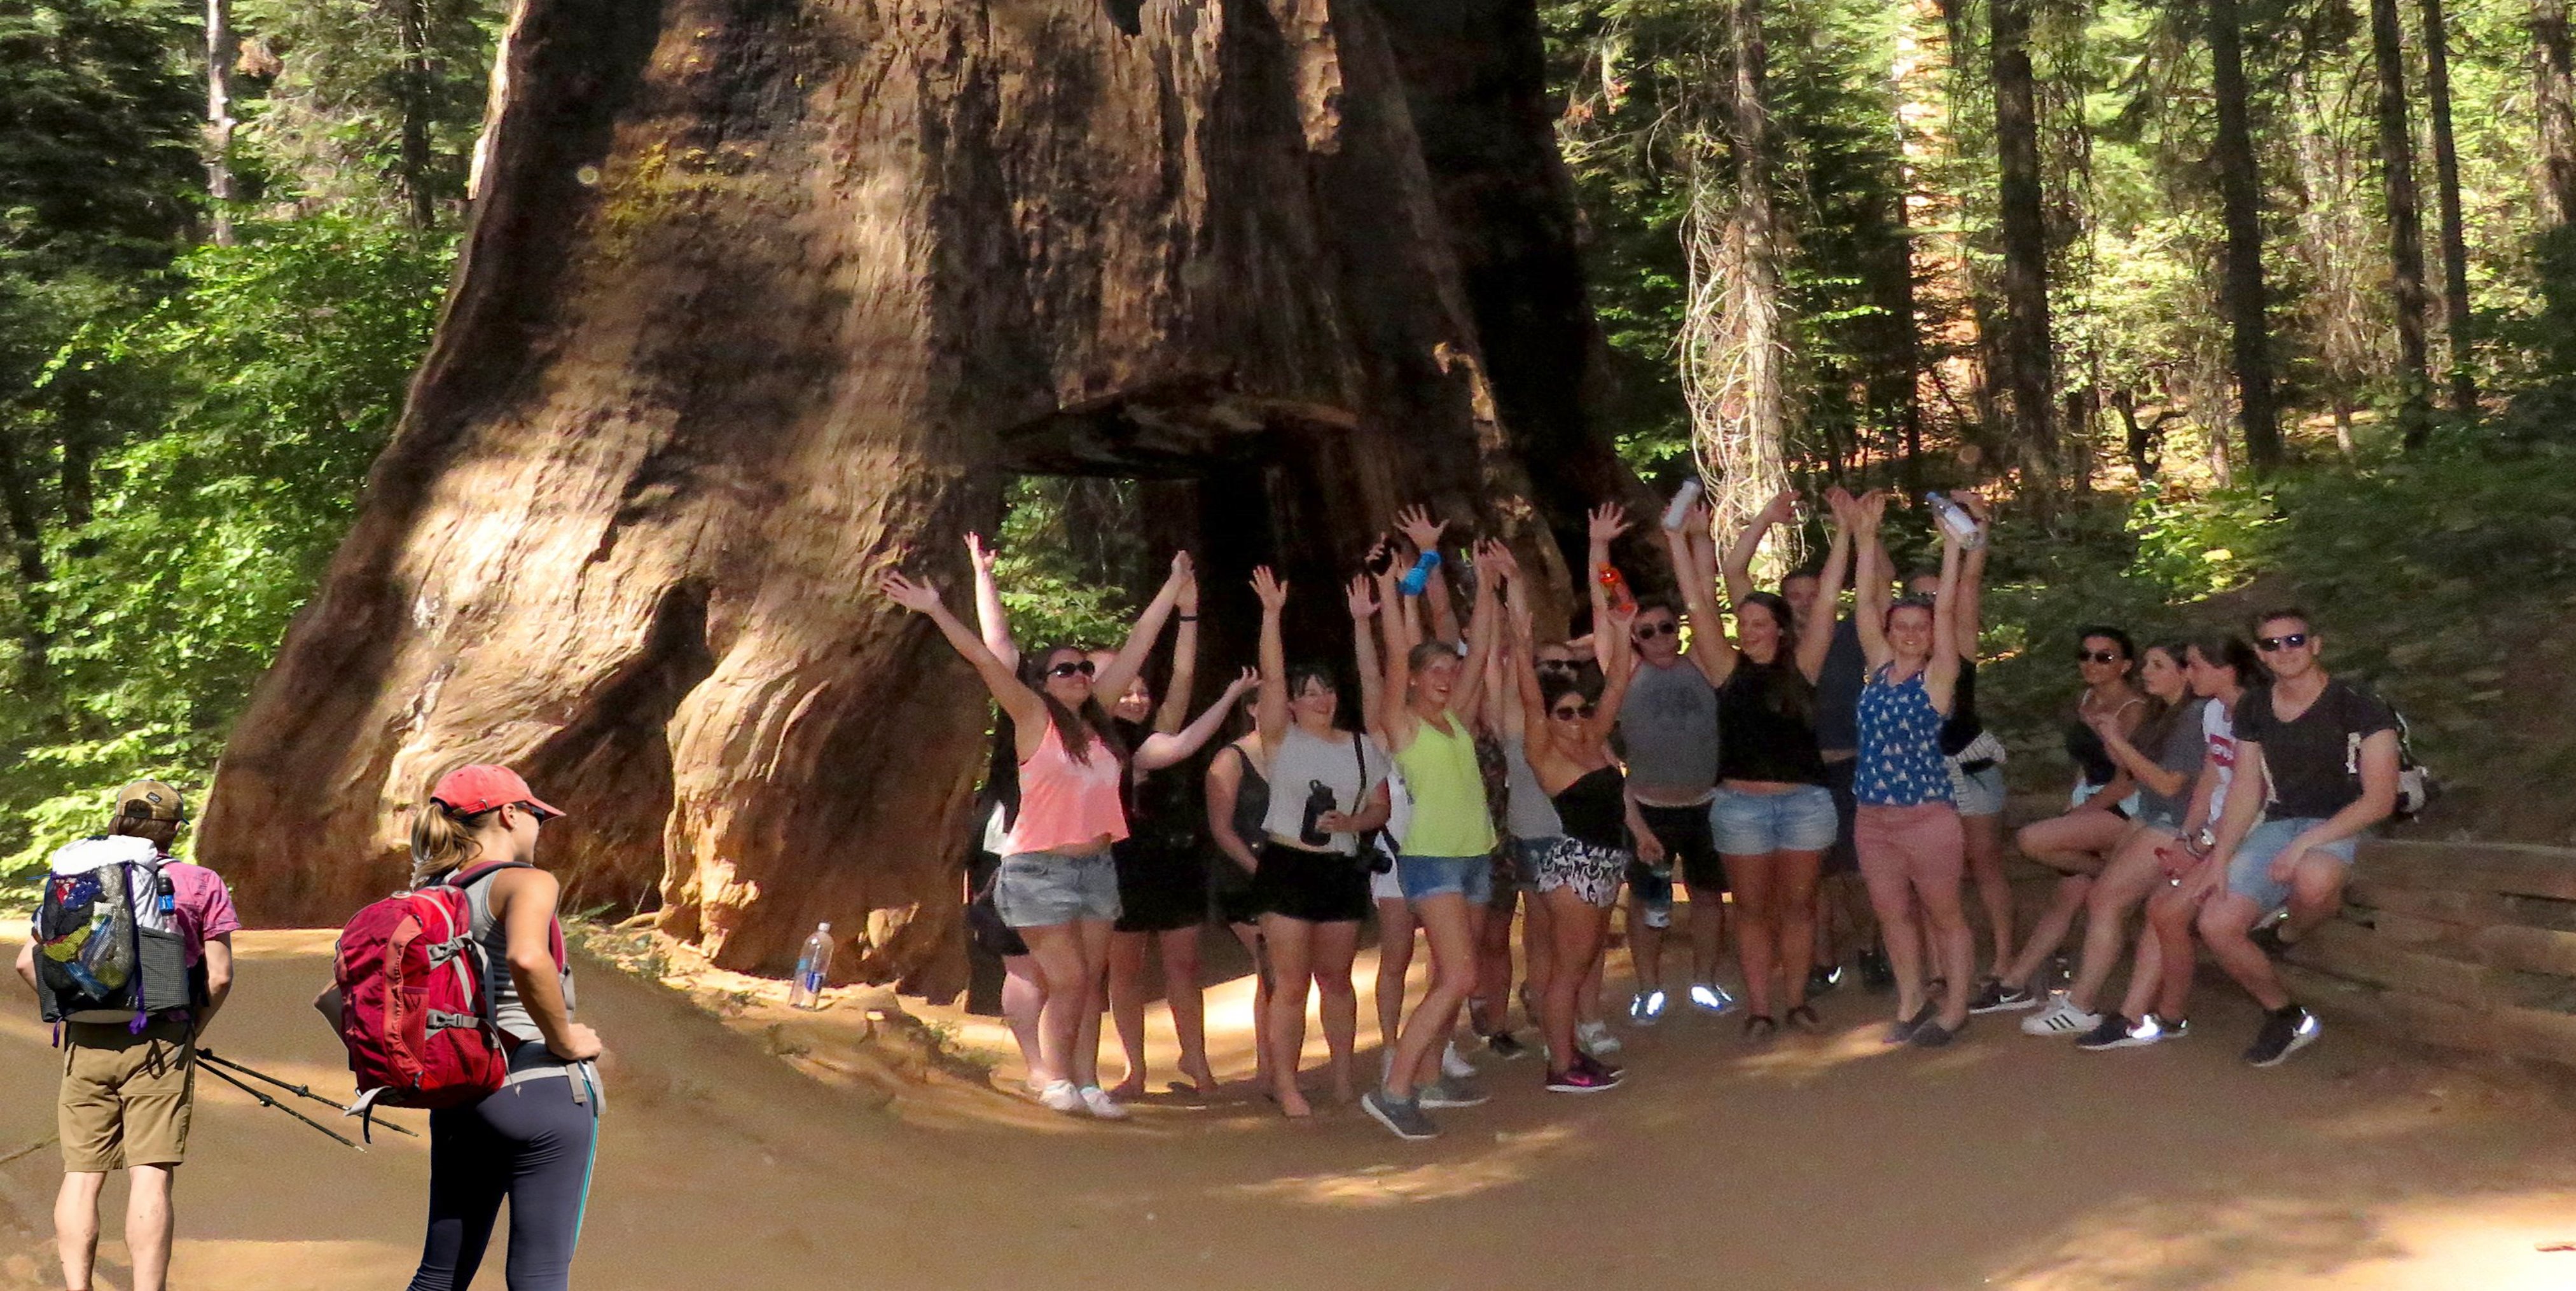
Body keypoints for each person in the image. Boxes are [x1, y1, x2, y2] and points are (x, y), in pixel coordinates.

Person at [882, 551, 1191, 1117]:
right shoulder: (1031, 716)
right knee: (1068, 979)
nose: (1078, 676)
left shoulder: (1099, 722)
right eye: (1064, 670)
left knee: (1089, 979)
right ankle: (1051, 1078)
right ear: (1044, 682)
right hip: (1038, 869)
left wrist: (1173, 587)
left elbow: (1141, 642)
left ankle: (1087, 1082)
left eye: (1084, 669)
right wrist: (934, 610)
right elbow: (983, 656)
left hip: (1098, 865)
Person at [16, 780, 235, 1291]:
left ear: (117, 820)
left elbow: (29, 962)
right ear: (174, 830)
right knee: (150, 1173)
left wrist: (72, 1013)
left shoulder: (74, 874)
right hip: (161, 1038)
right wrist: (191, 1029)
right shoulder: (199, 881)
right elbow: (220, 976)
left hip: (86, 1040)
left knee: (82, 1175)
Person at [394, 764, 600, 1291]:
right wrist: (564, 1040)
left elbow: (334, 998)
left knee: (440, 1275)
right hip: (541, 1092)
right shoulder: (525, 882)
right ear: (510, 814)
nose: (539, 827)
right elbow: (529, 959)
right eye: (536, 815)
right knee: (541, 1273)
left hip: (461, 1094)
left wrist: (410, 1067)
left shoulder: (427, 901)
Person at [2192, 609, 2400, 1066]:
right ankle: (2285, 1015)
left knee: (2313, 879)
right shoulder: (2255, 707)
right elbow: (2248, 787)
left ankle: (2285, 933)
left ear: (2316, 644)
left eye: (2294, 640)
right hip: (2282, 820)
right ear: (2259, 654)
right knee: (2216, 923)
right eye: (2271, 644)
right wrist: (2220, 855)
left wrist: (2305, 844)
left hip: (2348, 818)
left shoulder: (2358, 703)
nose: (2284, 651)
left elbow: (2380, 798)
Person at [1677, 490, 1839, 1038]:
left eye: (1756, 623)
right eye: (1741, 623)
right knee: (1749, 910)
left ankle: (1794, 1002)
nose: (1747, 631)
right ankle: (1760, 1009)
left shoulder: (1806, 663)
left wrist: (1845, 534)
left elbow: (1830, 597)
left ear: (1777, 627)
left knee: (1798, 908)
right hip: (1739, 806)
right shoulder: (1727, 668)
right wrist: (1679, 539)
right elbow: (1699, 602)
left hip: (1805, 805)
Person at [1362, 534, 1508, 1142]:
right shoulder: (1400, 723)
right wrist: (1396, 590)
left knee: (1452, 971)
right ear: (1416, 681)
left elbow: (1481, 653)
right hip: (1432, 861)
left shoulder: (1454, 720)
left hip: (1476, 856)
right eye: (1436, 670)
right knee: (1459, 977)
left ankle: (1425, 1076)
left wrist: (1491, 583)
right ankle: (1394, 1090)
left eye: (1451, 668)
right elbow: (1397, 653)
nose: (1448, 676)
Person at [1247, 567, 1393, 1117]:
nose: (1320, 699)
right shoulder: (1280, 739)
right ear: (1290, 704)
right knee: (1291, 984)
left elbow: (1380, 806)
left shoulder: (1360, 746)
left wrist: (1352, 826)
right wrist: (1271, 614)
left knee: (1337, 979)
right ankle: (1286, 1084)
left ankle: (1341, 1079)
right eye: (1308, 693)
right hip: (1288, 867)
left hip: (1339, 869)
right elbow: (1271, 674)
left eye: (1327, 690)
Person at [1588, 503, 1733, 1024]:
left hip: (1707, 806)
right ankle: (1649, 989)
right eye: (1644, 633)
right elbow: (1606, 606)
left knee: (1709, 899)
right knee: (1649, 905)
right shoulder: (1625, 677)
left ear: (1678, 629)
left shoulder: (1703, 664)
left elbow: (1706, 602)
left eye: (1664, 629)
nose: (1656, 638)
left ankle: (1706, 982)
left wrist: (1698, 539)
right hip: (1649, 809)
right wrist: (1600, 550)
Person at [2015, 641, 2200, 1039]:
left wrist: (2116, 741)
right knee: (2134, 902)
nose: (2147, 672)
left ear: (2185, 672)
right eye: (2147, 664)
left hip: (2181, 826)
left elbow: (2168, 785)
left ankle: (2087, 1005)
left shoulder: (2194, 717)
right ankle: (2129, 1013)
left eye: (2157, 665)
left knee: (2109, 898)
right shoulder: (2164, 714)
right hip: (2153, 818)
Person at [1844, 490, 1972, 1046]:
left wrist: (1952, 550)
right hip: (1872, 817)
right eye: (1904, 626)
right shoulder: (1877, 670)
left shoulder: (1938, 677)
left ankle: (1955, 1009)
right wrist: (1866, 538)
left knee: (1945, 914)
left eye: (1921, 627)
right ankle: (1912, 999)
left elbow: (1945, 610)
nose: (1913, 633)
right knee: (1893, 915)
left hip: (1926, 817)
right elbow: (1863, 608)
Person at [1969, 625, 2148, 1014]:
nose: (2092, 664)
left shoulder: (2134, 709)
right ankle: (2015, 983)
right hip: (2093, 798)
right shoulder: (2085, 699)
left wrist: (2083, 812)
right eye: (2085, 655)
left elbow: (2128, 781)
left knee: (2032, 840)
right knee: (2065, 897)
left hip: (2127, 806)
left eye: (2104, 657)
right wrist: (2075, 800)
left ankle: (2115, 875)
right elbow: (2086, 764)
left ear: (2126, 664)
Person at [1511, 565, 1642, 1091]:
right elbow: (1528, 698)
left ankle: (1571, 1055)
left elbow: (1618, 680)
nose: (1575, 717)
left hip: (1606, 864)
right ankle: (1561, 1065)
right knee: (1569, 969)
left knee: (1583, 963)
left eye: (1578, 709)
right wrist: (1522, 647)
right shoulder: (1544, 751)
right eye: (1562, 712)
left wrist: (1622, 621)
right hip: (1575, 869)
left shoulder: (1591, 739)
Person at [2096, 633, 2262, 1048]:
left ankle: (2155, 1016)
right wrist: (2187, 839)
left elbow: (2254, 794)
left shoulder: (2255, 715)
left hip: (2250, 830)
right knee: (2160, 907)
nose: (2188, 674)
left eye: (2194, 666)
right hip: (2209, 829)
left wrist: (2202, 846)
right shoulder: (2212, 715)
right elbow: (2209, 782)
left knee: (2166, 910)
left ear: (2226, 670)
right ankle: (2157, 1015)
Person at [1203, 696, 1277, 1093]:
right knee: (1274, 967)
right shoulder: (1230, 760)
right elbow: (1221, 828)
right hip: (1243, 879)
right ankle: (1271, 1071)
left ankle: (1276, 1066)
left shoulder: (1300, 754)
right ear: (1253, 707)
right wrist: (1261, 870)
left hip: (1292, 876)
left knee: (1281, 973)